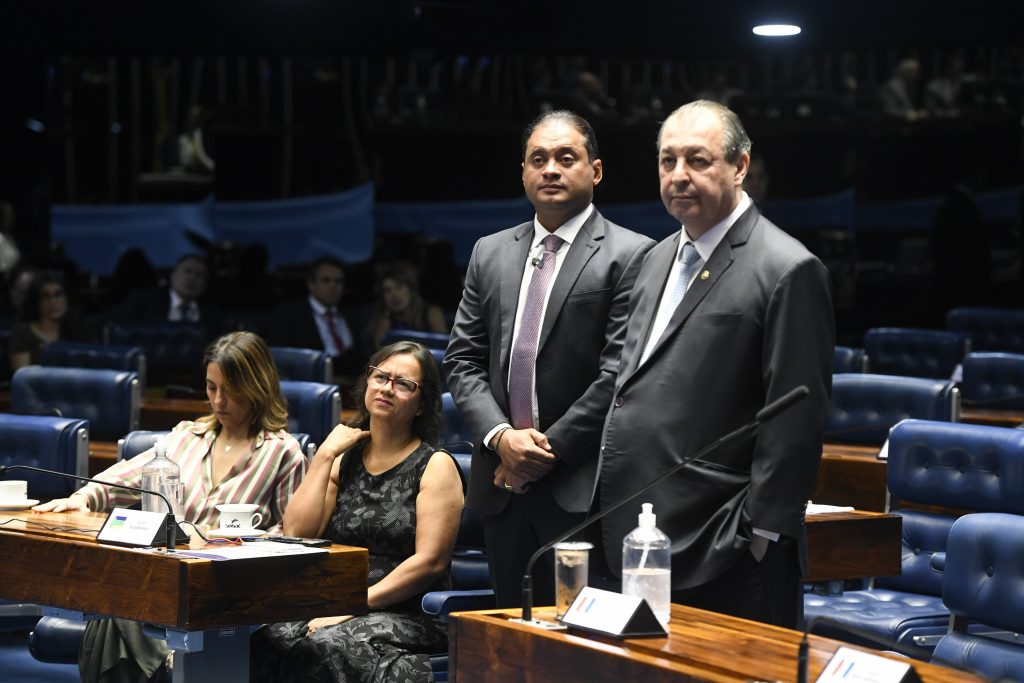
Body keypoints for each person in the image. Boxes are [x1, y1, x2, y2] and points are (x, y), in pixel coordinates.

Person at [596, 100, 834, 629]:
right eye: (667, 161)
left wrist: (758, 537)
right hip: (639, 530)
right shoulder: (654, 259)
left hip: (723, 543)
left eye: (698, 161)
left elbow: (795, 420)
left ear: (740, 167)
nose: (678, 176)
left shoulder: (788, 268)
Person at [443, 110, 654, 608]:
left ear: (595, 171)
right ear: (523, 172)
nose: (551, 170)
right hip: (501, 482)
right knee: (505, 640)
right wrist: (502, 439)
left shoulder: (634, 254)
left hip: (580, 484)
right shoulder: (489, 252)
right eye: (538, 159)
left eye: (566, 158)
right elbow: (462, 360)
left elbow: (619, 376)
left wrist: (538, 456)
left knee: (578, 641)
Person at [34, 330, 308, 682]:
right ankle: (170, 661)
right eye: (211, 388)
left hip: (226, 586)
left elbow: (291, 537)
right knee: (128, 598)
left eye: (231, 390)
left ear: (257, 387)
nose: (219, 400)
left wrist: (219, 540)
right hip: (166, 575)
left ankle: (173, 662)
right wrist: (80, 498)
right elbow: (124, 478)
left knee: (124, 604)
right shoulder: (186, 437)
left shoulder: (282, 452)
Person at [251, 341, 463, 682]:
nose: (388, 388)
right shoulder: (344, 458)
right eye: (381, 377)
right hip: (337, 601)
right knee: (265, 639)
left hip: (408, 610)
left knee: (323, 648)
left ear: (422, 404)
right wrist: (323, 456)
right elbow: (297, 534)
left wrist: (355, 604)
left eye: (404, 384)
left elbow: (430, 562)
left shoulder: (435, 465)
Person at [270, 255, 363, 378]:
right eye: (326, 280)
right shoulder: (290, 314)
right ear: (311, 284)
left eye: (338, 281)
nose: (333, 286)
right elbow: (282, 358)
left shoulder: (352, 314)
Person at [103, 252, 222, 335]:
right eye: (187, 271)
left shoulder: (212, 314)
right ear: (173, 275)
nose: (192, 277)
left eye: (199, 275)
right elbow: (103, 321)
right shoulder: (144, 302)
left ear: (205, 285)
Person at [9, 270, 96, 372]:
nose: (53, 301)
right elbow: (23, 378)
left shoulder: (80, 331)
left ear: (67, 297)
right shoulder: (22, 333)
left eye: (58, 294)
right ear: (37, 301)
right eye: (45, 296)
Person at [365, 267, 447, 351]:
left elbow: (442, 347)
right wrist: (384, 320)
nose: (394, 294)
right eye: (388, 290)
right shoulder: (383, 321)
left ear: (410, 290)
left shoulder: (431, 312)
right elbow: (379, 351)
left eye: (399, 287)